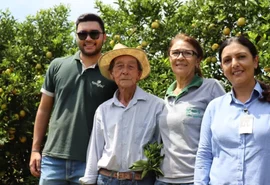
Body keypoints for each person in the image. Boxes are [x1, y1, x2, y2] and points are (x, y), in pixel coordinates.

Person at [29, 13, 118, 185]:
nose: (88, 39)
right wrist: (35, 150)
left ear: (104, 37)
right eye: (82, 34)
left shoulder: (112, 72)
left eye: (94, 34)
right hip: (52, 160)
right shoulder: (57, 65)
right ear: (76, 36)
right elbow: (44, 109)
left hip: (91, 162)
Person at [79, 43, 165, 185]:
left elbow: (162, 149)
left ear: (139, 74)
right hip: (106, 180)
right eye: (119, 66)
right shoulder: (103, 110)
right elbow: (95, 148)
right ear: (112, 74)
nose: (125, 71)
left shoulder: (157, 106)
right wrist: (89, 180)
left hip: (142, 181)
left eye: (131, 67)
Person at [194, 36, 270, 184]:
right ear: (222, 68)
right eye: (227, 60)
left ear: (255, 61)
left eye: (241, 57)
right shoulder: (214, 108)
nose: (234, 64)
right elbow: (204, 155)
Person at [155, 33, 226, 185]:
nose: (180, 57)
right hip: (163, 180)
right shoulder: (166, 97)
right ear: (169, 58)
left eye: (187, 53)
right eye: (175, 53)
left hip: (195, 179)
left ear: (198, 60)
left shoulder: (211, 87)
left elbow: (226, 132)